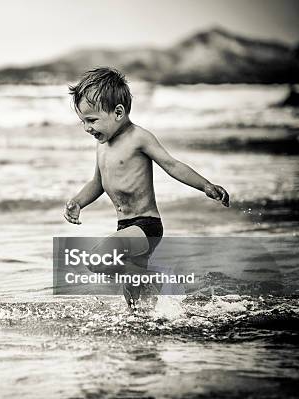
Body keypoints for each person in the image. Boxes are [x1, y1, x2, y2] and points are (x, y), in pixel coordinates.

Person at [63, 67, 229, 308]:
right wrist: (78, 202)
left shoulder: (138, 137)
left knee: (96, 259)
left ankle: (162, 279)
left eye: (92, 120)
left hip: (146, 225)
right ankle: (151, 325)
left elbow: (171, 164)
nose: (87, 128)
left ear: (118, 112)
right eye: (83, 122)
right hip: (124, 226)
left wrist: (205, 185)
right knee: (134, 299)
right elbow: (97, 183)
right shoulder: (102, 146)